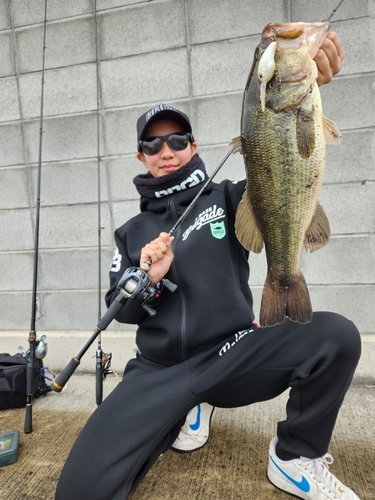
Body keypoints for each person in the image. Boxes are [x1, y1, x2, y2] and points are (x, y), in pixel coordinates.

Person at [55, 32, 362, 500]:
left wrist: (308, 97)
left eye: (176, 139)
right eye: (153, 145)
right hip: (158, 371)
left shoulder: (230, 195)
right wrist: (148, 281)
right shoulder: (132, 233)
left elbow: (281, 171)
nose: (167, 151)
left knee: (336, 336)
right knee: (79, 491)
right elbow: (122, 308)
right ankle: (186, 408)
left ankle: (294, 456)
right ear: (141, 156)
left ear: (193, 145)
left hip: (232, 354)